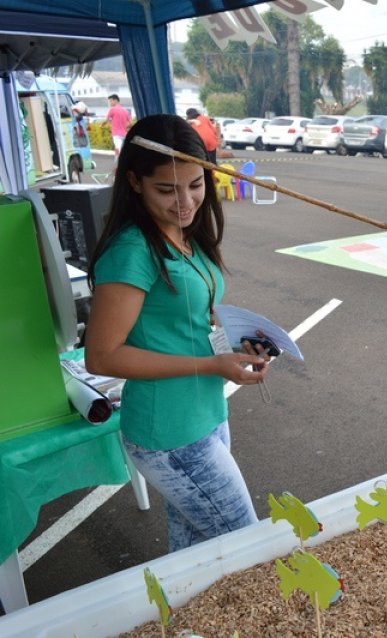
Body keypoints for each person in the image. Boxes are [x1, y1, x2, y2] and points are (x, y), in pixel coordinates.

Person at [84, 114, 270, 552]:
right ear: (135, 181)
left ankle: (177, 604)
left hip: (207, 415)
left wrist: (237, 346)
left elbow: (191, 319)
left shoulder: (186, 232)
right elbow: (102, 356)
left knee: (192, 552)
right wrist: (211, 364)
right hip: (170, 433)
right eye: (166, 190)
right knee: (250, 549)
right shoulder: (132, 251)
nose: (185, 202)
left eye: (196, 185)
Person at [106, 94, 132, 159]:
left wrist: (110, 125)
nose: (110, 103)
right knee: (122, 150)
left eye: (111, 101)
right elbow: (131, 123)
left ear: (115, 100)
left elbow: (107, 120)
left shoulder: (112, 109)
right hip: (125, 134)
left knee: (119, 150)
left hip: (116, 134)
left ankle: (119, 163)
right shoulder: (125, 110)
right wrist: (124, 126)